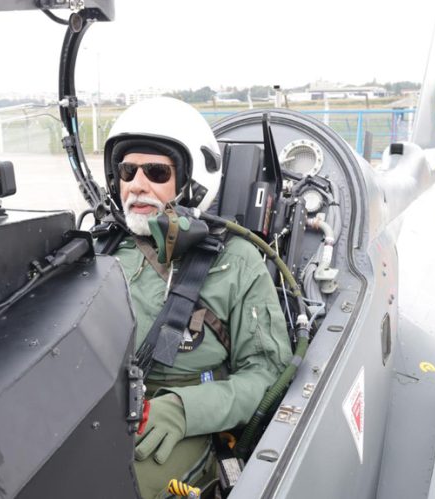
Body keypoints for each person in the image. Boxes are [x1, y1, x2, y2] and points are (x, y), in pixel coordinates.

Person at [101, 97, 292, 498]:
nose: (136, 183)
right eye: (127, 170)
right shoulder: (100, 251)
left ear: (190, 182)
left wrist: (186, 410)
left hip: (185, 424)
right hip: (101, 410)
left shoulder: (236, 262)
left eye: (155, 171)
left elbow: (267, 373)